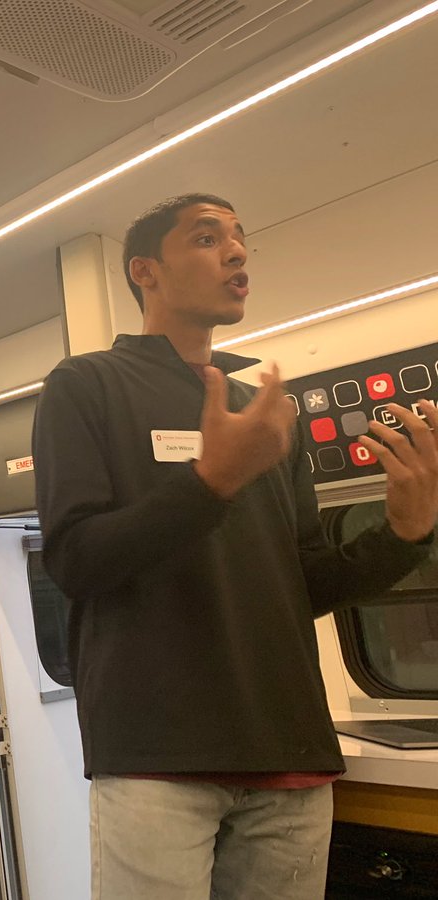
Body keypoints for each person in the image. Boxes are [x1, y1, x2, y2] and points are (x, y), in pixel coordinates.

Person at [30, 193, 438, 899]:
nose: (238, 250)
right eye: (206, 237)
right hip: (157, 751)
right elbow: (75, 560)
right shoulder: (87, 383)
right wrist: (208, 484)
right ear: (146, 271)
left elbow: (304, 583)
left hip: (289, 750)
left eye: (241, 237)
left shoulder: (268, 413)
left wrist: (403, 533)